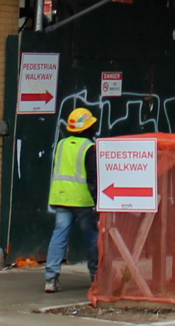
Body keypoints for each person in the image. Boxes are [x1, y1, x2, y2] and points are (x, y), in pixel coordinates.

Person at [44, 107, 99, 293]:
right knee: (92, 238)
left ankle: (51, 278)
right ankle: (96, 277)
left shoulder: (62, 144)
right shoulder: (89, 148)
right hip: (82, 201)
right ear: (87, 128)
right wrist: (98, 201)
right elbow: (93, 177)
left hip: (61, 197)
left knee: (59, 236)